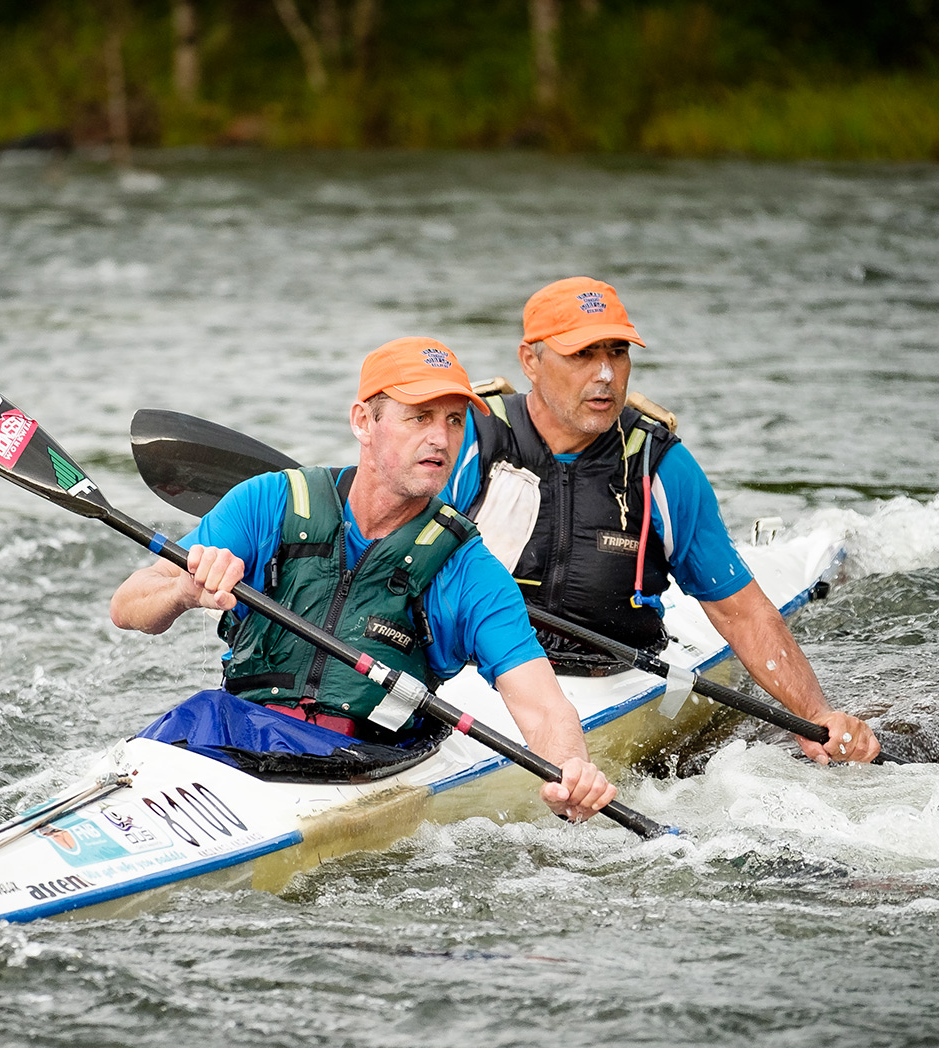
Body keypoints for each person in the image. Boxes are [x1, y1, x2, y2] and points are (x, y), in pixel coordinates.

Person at [111, 336, 621, 821]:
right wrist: (184, 591)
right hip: (225, 734)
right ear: (363, 421)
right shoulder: (266, 502)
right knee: (193, 713)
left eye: (454, 421)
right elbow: (129, 606)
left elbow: (544, 707)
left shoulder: (468, 569)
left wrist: (573, 770)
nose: (440, 439)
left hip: (360, 761)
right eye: (418, 417)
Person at [443, 277, 881, 764]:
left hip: (609, 674)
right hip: (474, 674)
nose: (606, 375)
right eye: (583, 355)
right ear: (531, 360)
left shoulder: (662, 468)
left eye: (618, 353)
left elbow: (740, 611)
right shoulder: (467, 442)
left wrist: (817, 714)